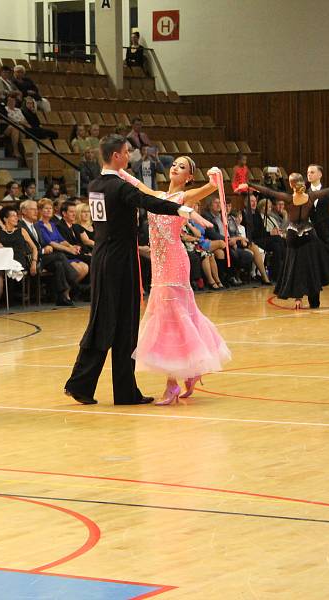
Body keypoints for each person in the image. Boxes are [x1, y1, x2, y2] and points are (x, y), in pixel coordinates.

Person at [64, 134, 213, 406]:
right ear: (118, 157)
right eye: (126, 152)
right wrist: (183, 211)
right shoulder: (118, 187)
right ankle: (84, 384)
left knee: (114, 323)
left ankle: (120, 390)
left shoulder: (96, 184)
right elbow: (151, 202)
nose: (129, 155)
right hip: (120, 261)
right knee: (119, 324)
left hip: (102, 257)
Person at [120, 157, 232, 403]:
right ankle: (190, 370)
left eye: (182, 167)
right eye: (174, 165)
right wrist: (119, 173)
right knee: (176, 315)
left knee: (172, 319)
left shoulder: (185, 197)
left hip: (174, 261)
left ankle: (172, 383)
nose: (175, 168)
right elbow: (138, 186)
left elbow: (211, 187)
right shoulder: (157, 195)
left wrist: (215, 174)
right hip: (159, 265)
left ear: (189, 177)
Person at [249, 173, 329, 310]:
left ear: (291, 185)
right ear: (303, 183)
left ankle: (298, 300)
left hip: (293, 236)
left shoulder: (288, 198)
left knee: (296, 266)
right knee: (324, 263)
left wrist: (250, 185)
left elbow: (268, 191)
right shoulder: (311, 197)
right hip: (309, 235)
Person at [0, 205, 37, 312]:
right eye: (13, 216)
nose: (16, 218)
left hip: (18, 261)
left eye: (16, 216)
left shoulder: (22, 231)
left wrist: (34, 262)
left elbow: (34, 247)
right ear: (5, 219)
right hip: (3, 261)